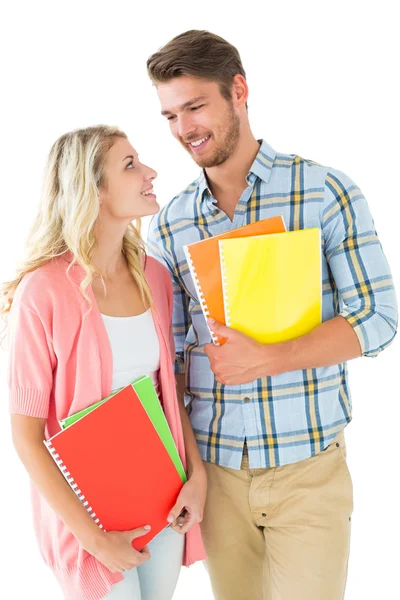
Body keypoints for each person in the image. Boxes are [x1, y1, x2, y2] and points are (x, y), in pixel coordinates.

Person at [146, 30, 398, 600]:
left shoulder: (325, 192)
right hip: (216, 477)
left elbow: (379, 317)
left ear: (238, 90)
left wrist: (272, 357)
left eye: (195, 106)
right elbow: (173, 361)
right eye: (169, 116)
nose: (184, 128)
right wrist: (188, 470)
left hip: (307, 470)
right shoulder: (169, 225)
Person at [2, 125, 207, 600]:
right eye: (130, 165)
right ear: (90, 188)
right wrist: (94, 539)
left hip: (164, 501)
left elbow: (168, 393)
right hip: (85, 519)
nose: (150, 172)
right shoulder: (44, 291)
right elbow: (26, 437)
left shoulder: (154, 276)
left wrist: (196, 478)